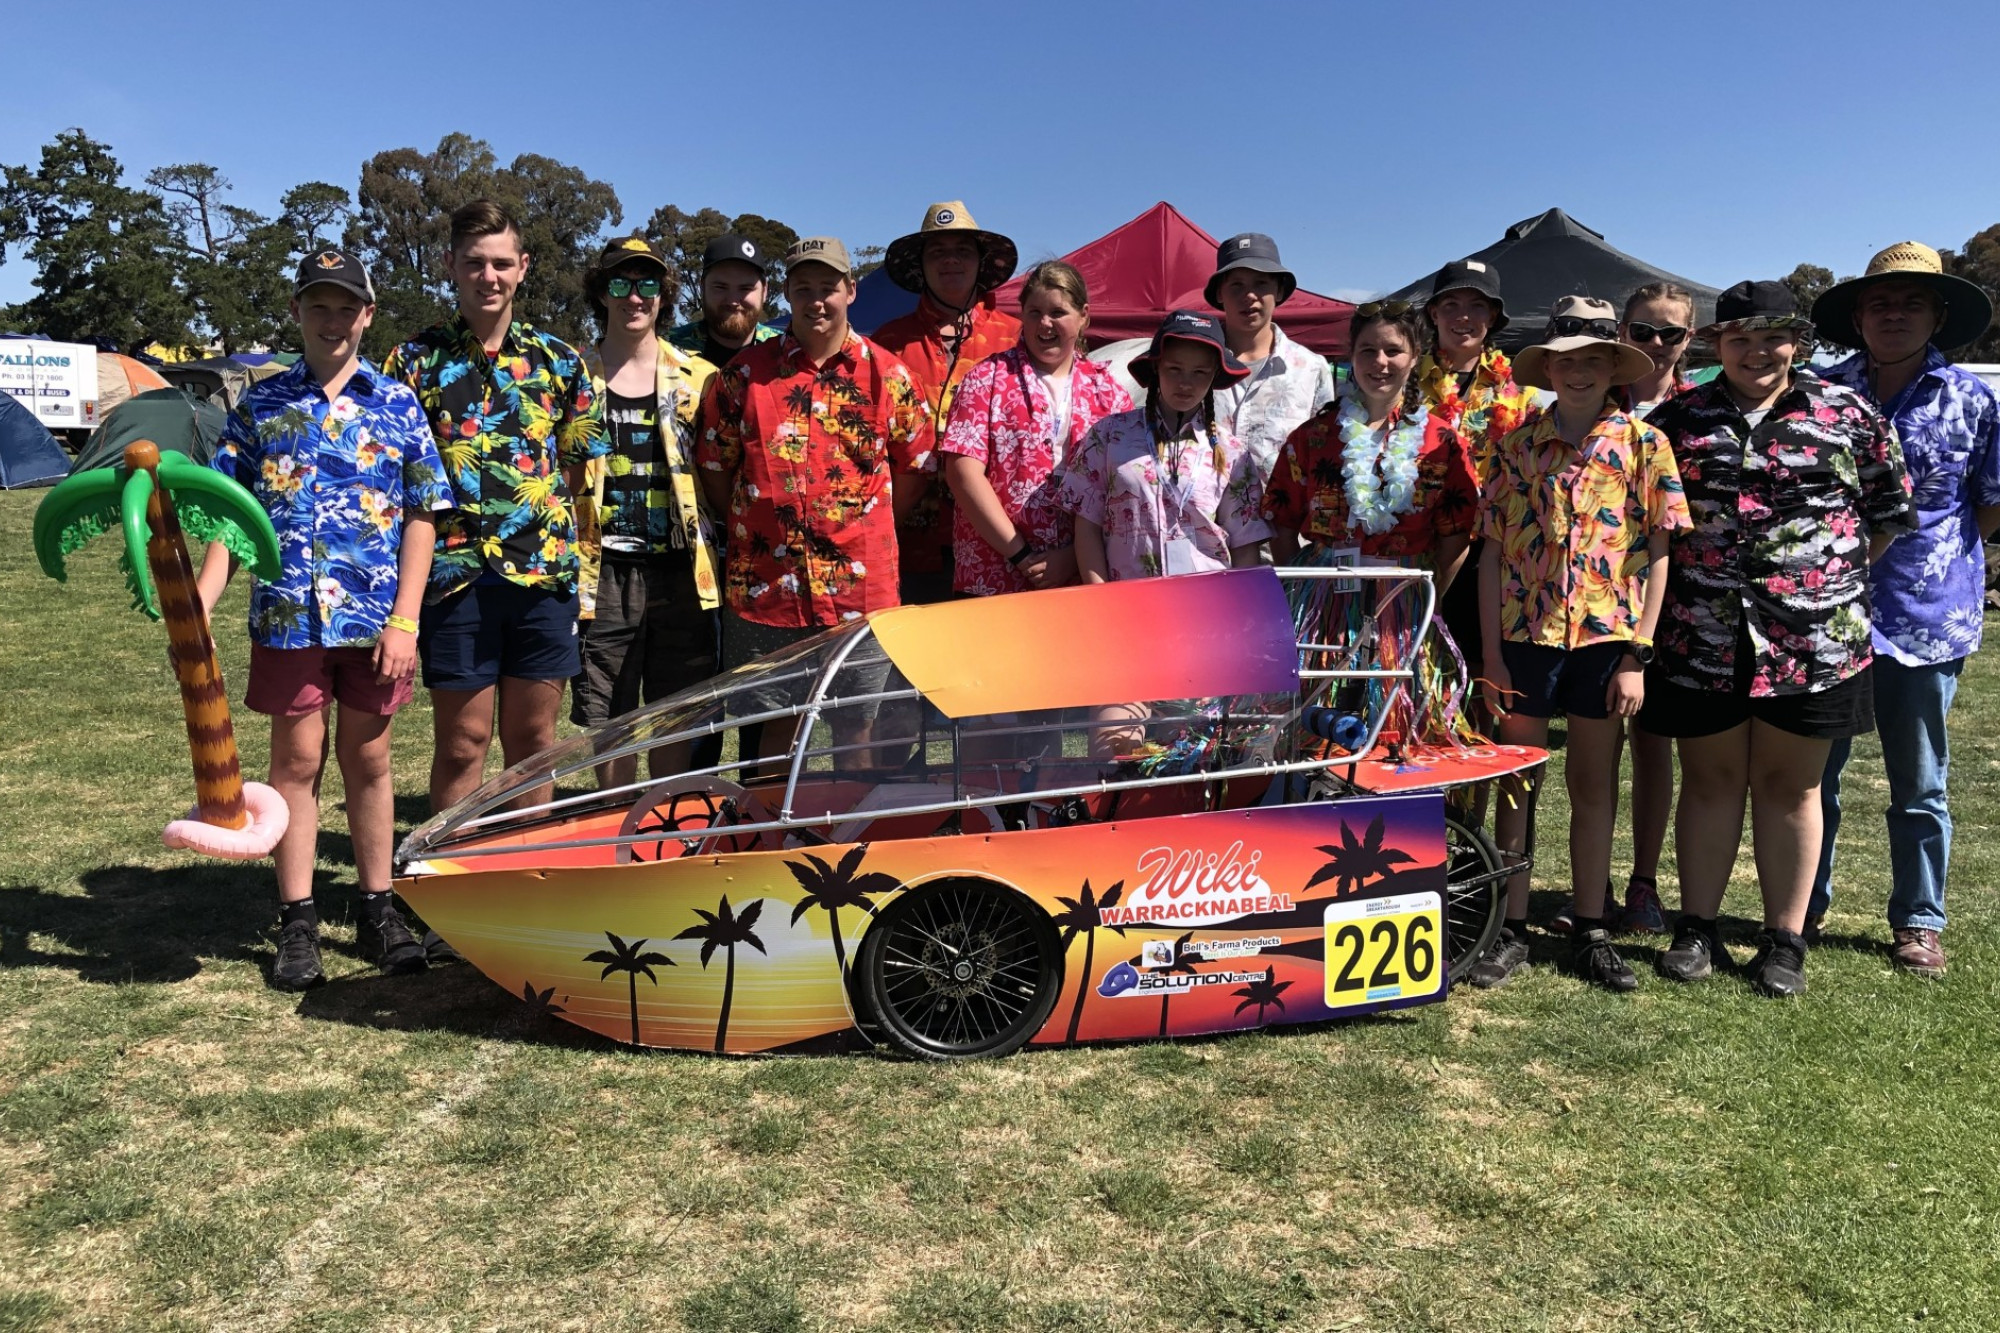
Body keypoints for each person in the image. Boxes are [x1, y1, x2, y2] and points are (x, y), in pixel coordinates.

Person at [1640, 281, 1914, 998]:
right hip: (1703, 636)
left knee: (1793, 789)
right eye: (1740, 338)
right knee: (1710, 781)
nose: (1757, 351)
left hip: (1815, 641)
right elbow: (1654, 525)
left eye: (1773, 336)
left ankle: (1783, 938)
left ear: (1798, 339)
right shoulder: (1677, 418)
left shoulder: (1847, 413)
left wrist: (1821, 584)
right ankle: (1696, 926)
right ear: (1717, 345)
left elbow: (1887, 512)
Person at [197, 250, 452, 990]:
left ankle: (378, 906)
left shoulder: (398, 404)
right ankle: (299, 918)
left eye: (347, 307)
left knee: (370, 761)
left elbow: (421, 517)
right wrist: (202, 603)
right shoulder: (261, 407)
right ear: (297, 312)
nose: (333, 320)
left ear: (368, 315)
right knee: (296, 764)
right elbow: (230, 517)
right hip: (288, 618)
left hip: (374, 622)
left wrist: (406, 619)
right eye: (319, 305)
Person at [1465, 298, 1690, 992]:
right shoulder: (1518, 443)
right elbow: (1492, 556)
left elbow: (1658, 552)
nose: (1580, 371)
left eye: (1594, 358)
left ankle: (1591, 926)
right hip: (1525, 638)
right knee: (1516, 783)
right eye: (1567, 360)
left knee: (1593, 785)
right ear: (1550, 367)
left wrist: (1637, 652)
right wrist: (1494, 656)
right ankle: (1511, 924)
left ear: (1613, 365)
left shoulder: (1644, 444)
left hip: (1604, 640)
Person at [1807, 242, 2000, 976]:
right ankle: (1803, 906)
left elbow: (1990, 502)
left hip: (1926, 619)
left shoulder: (1974, 401)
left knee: (1919, 781)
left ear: (1939, 316)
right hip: (1825, 615)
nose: (1894, 313)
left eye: (1911, 302)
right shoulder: (1823, 393)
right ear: (1858, 315)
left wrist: (1939, 557)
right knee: (1811, 778)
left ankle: (1919, 920)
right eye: (1881, 301)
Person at [383, 199, 607, 816]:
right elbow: (395, 477)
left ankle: (526, 874)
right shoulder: (413, 362)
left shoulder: (561, 363)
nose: (490, 276)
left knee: (534, 744)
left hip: (542, 578)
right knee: (463, 744)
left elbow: (576, 467)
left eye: (502, 264)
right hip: (454, 579)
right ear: (450, 265)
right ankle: (449, 880)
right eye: (475, 263)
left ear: (523, 268)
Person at [695, 236, 933, 764]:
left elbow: (916, 467)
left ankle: (854, 839)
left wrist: (867, 529)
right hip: (765, 591)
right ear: (787, 294)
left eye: (828, 287)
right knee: (769, 732)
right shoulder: (742, 377)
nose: (816, 300)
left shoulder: (889, 376)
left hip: (860, 594)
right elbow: (715, 467)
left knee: (858, 729)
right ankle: (768, 840)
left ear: (851, 290)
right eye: (804, 288)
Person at [573, 236, 722, 790]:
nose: (634, 297)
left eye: (647, 285)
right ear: (601, 292)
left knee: (675, 711)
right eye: (620, 283)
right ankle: (615, 825)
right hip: (601, 569)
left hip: (683, 569)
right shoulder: (572, 375)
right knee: (609, 711)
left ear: (663, 295)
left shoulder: (699, 378)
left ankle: (662, 825)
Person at [940, 260, 1132, 597]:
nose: (1045, 323)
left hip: (1082, 574)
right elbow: (962, 473)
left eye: (1058, 312)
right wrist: (1020, 554)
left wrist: (1071, 559)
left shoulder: (1110, 393)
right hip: (995, 571)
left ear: (1084, 316)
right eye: (1034, 312)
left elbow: (1122, 487)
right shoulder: (986, 379)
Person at [1261, 299, 1477, 580]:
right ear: (1351, 355)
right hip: (1323, 599)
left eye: (1393, 350)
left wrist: (1428, 598)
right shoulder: (1311, 437)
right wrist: (1300, 588)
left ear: (1415, 356)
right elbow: (1282, 524)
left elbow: (1457, 535)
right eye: (1368, 350)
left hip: (1406, 598)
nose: (1380, 362)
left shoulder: (1443, 443)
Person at [873, 201, 1022, 604]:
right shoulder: (886, 344)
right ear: (921, 265)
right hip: (909, 543)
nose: (950, 260)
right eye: (937, 251)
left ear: (980, 263)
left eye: (962, 250)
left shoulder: (1018, 339)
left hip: (1000, 542)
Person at [1056, 309, 1269, 583]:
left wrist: (1239, 610)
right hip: (1125, 603)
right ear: (1157, 366)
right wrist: (1100, 595)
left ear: (1215, 375)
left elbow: (1245, 544)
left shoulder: (1232, 454)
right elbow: (1087, 525)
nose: (1185, 383)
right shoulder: (1108, 435)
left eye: (1200, 372)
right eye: (1174, 369)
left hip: (1208, 605)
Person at [1204, 233, 1337, 481]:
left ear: (1279, 290)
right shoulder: (1197, 364)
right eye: (1237, 285)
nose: (1250, 295)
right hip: (1203, 517)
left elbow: (1322, 452)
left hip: (1282, 518)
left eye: (1261, 284)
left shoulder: (1311, 369)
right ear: (1220, 293)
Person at [666, 233, 782, 368]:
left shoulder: (786, 352)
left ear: (765, 291)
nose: (733, 301)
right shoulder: (668, 348)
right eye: (720, 287)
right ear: (702, 287)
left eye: (745, 288)